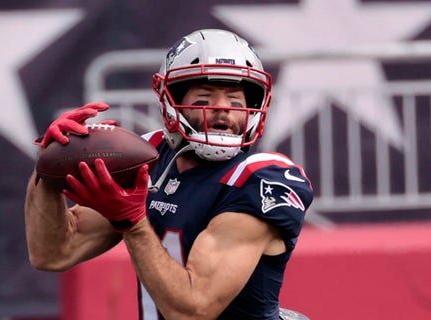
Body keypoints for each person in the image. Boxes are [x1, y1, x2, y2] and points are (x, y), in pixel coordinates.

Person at [25, 29, 314, 320]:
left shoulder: (258, 179)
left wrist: (134, 224)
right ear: (170, 100)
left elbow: (193, 310)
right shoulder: (148, 158)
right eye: (204, 99)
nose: (223, 110)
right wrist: (49, 167)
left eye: (236, 102)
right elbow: (54, 252)